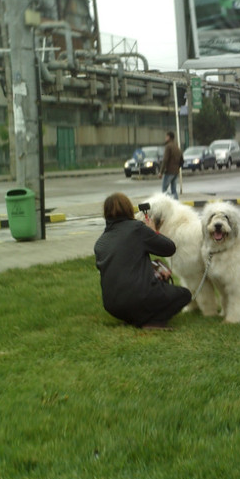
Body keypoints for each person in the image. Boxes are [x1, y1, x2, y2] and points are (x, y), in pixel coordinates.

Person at [94, 192, 191, 330]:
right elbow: (169, 248)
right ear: (128, 209)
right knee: (184, 294)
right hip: (139, 298)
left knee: (138, 297)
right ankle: (154, 322)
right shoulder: (137, 229)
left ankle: (134, 318)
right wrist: (153, 231)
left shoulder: (101, 242)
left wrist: (153, 268)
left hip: (112, 305)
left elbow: (120, 267)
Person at [160, 131, 182, 200]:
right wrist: (178, 167)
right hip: (176, 172)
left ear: (169, 137)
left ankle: (170, 201)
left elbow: (165, 160)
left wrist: (161, 172)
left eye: (166, 137)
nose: (165, 138)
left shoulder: (168, 147)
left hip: (169, 171)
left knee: (164, 190)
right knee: (174, 190)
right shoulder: (176, 147)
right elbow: (182, 159)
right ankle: (176, 203)